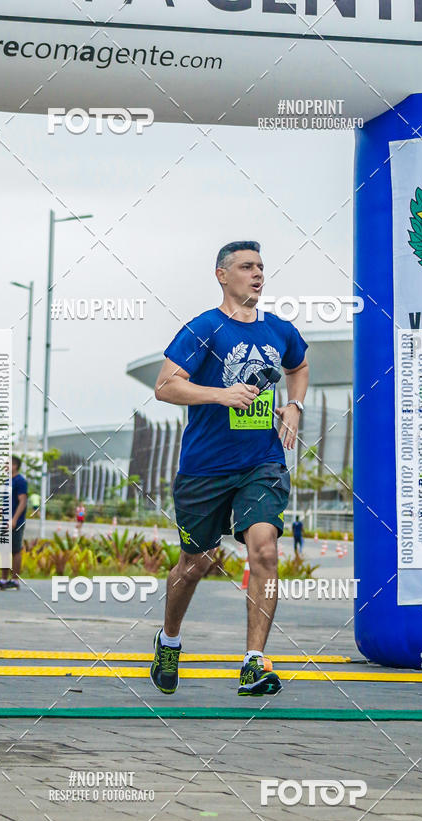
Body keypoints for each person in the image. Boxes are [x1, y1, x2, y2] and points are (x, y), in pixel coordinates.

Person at [150, 240, 309, 697]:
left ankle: (254, 662)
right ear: (222, 275)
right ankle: (169, 640)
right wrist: (222, 394)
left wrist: (294, 405)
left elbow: (299, 364)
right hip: (205, 467)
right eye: (246, 267)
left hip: (261, 462)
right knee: (196, 562)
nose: (257, 274)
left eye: (260, 266)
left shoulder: (279, 330)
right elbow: (165, 386)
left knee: (264, 550)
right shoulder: (203, 329)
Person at [0, 455, 28, 591]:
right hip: (4, 521)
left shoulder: (20, 481)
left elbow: (23, 501)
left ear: (15, 466)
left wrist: (14, 519)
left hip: (15, 522)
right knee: (4, 550)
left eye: (7, 464)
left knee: (15, 550)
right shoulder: (7, 481)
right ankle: (3, 580)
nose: (5, 466)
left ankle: (15, 581)